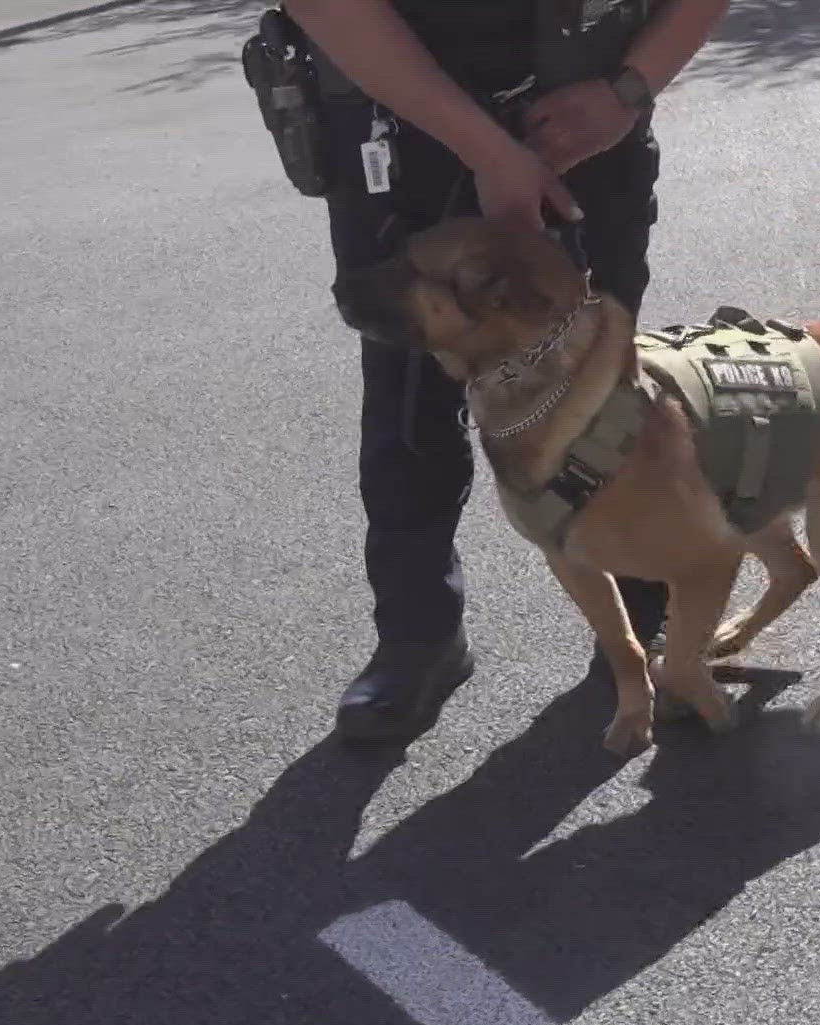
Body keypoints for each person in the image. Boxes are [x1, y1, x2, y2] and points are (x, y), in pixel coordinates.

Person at [281, 0, 732, 745]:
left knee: (608, 398)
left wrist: (628, 91)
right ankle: (418, 637)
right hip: (400, 112)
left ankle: (652, 623)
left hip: (584, 117)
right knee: (409, 407)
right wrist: (485, 149)